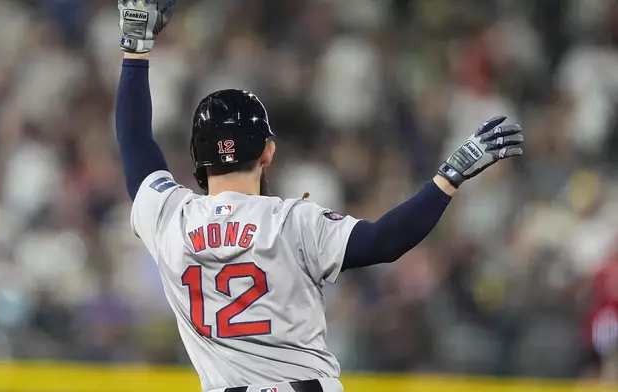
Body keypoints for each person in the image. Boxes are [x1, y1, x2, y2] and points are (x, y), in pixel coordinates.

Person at [115, 1, 524, 391]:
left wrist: (136, 50)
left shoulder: (170, 218)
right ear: (268, 151)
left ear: (196, 157)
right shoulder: (292, 220)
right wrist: (449, 176)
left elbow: (135, 143)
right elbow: (385, 241)